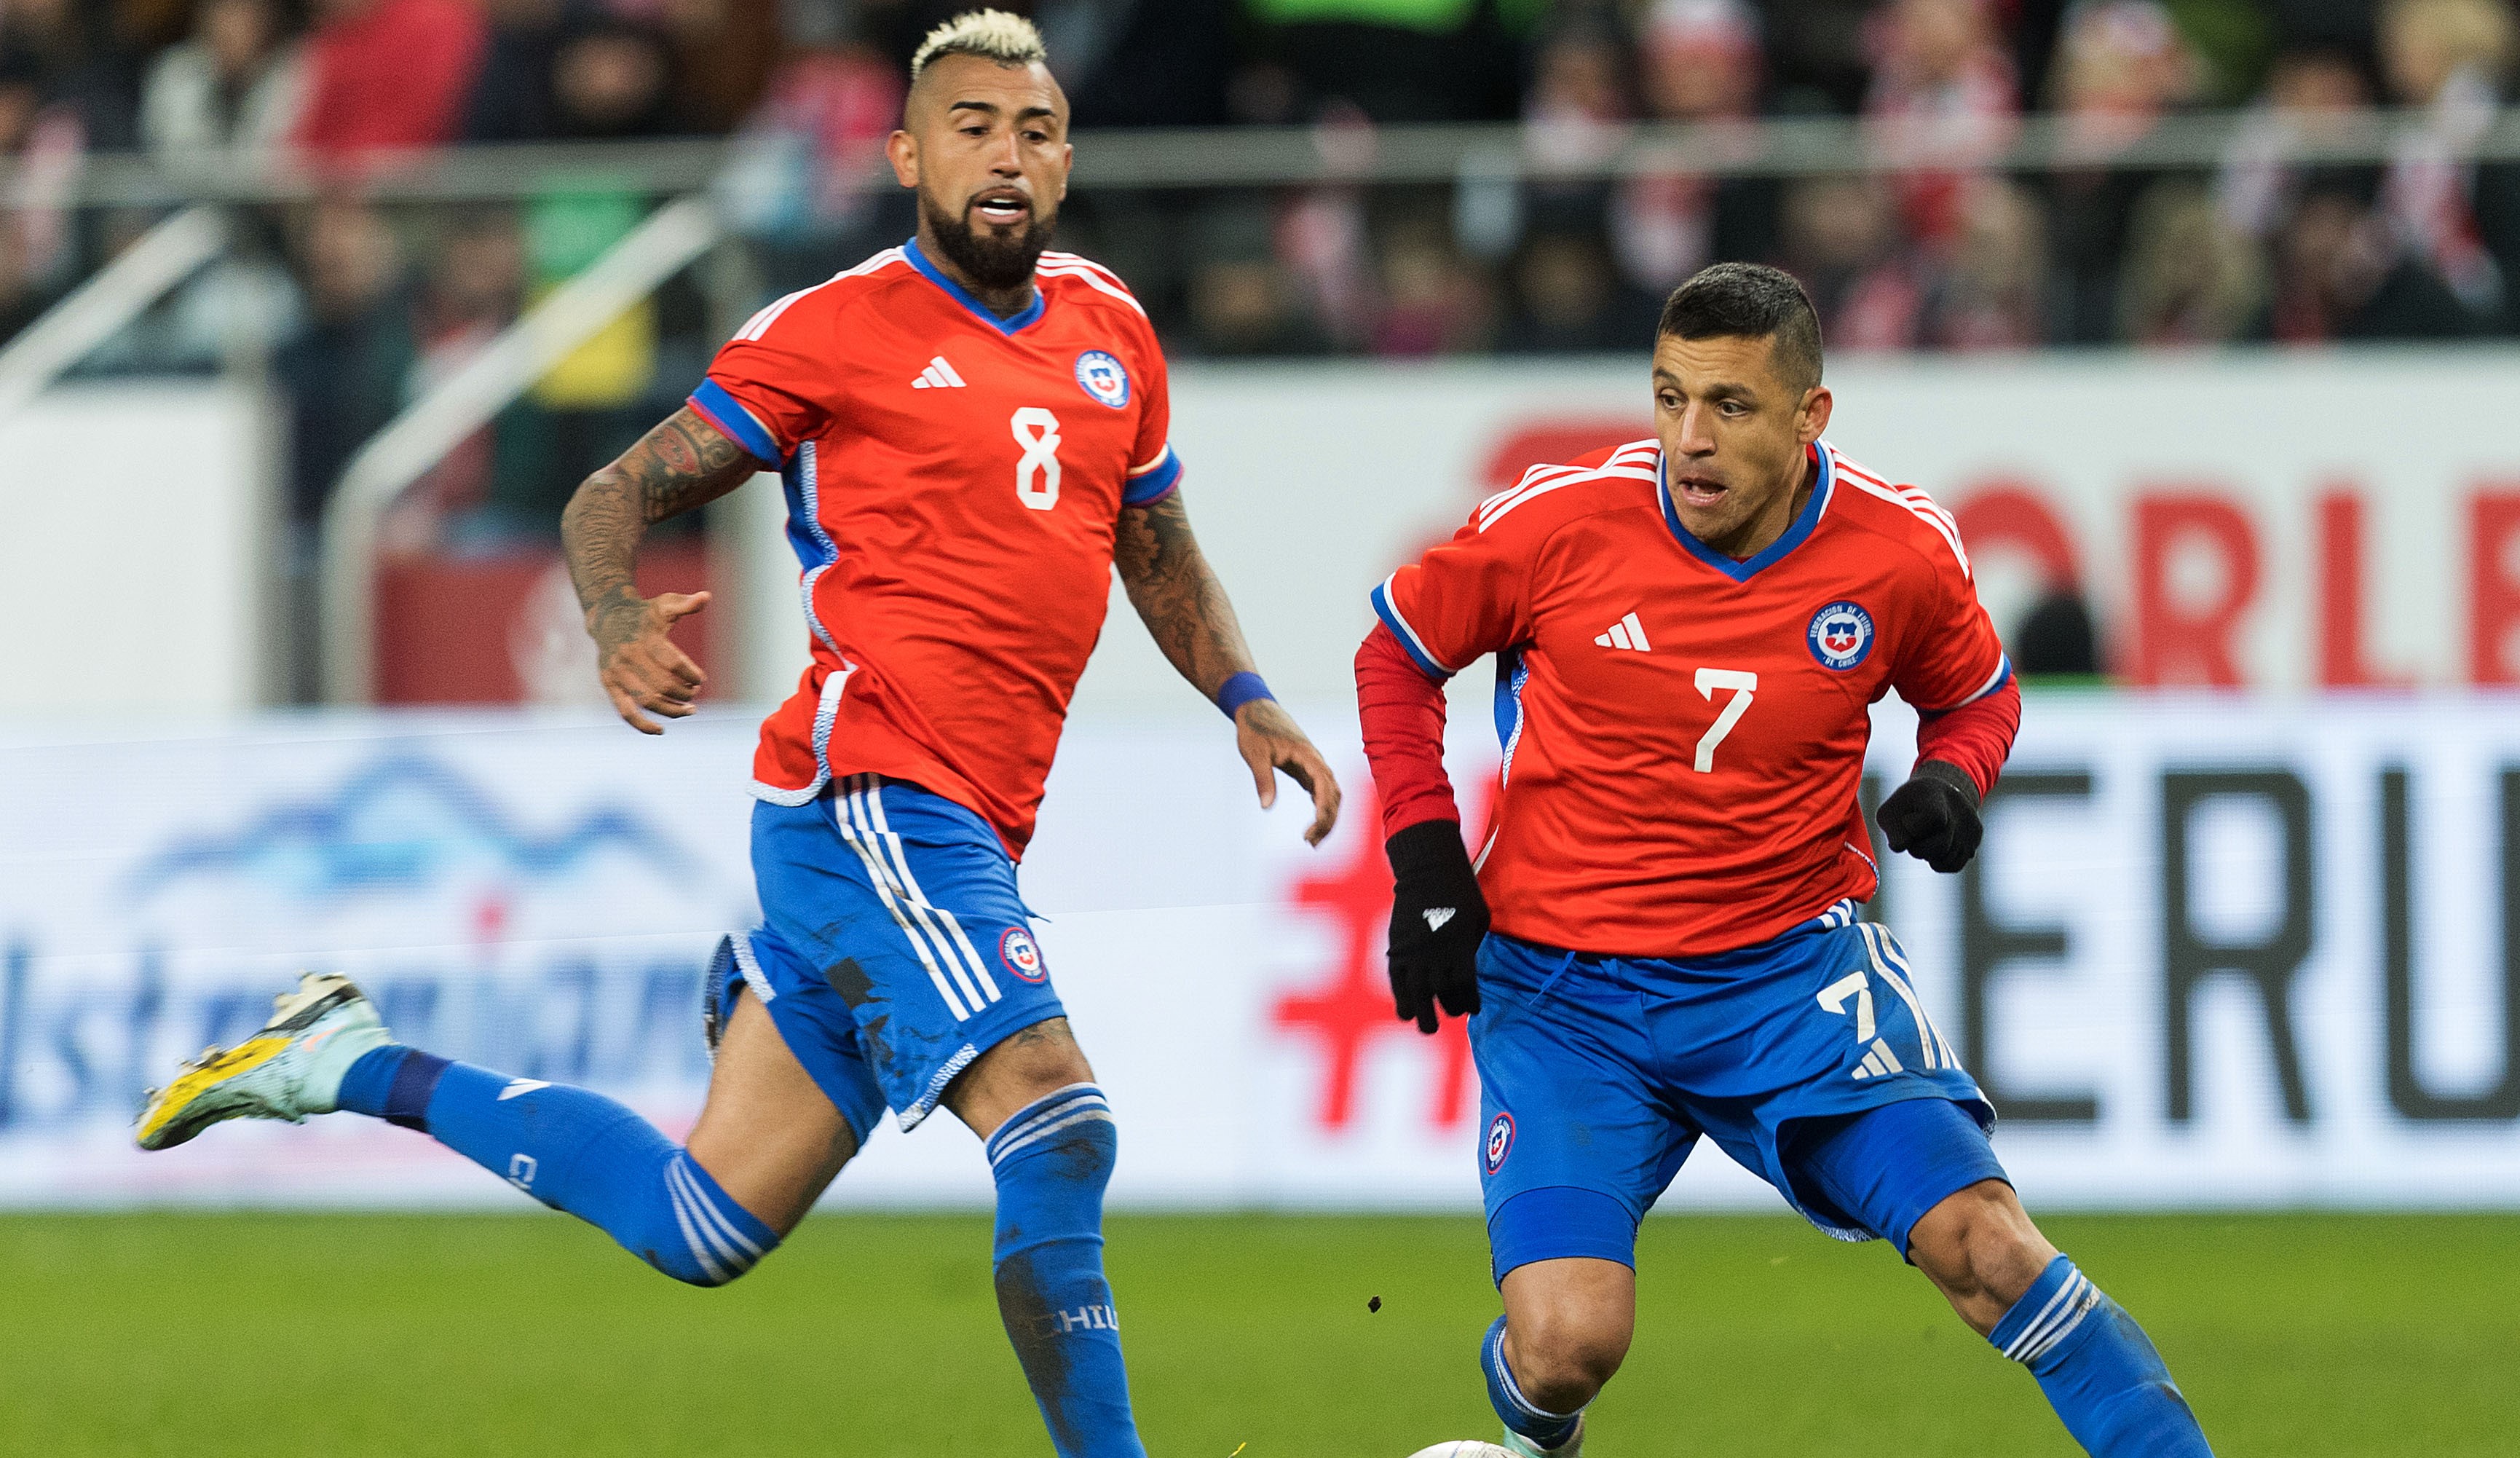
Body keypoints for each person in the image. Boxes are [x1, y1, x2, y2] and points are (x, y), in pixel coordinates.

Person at [135, 14, 1343, 1458]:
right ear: (908, 155)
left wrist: (1246, 691)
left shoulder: (1112, 330)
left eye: (1032, 131)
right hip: (872, 790)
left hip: (967, 821)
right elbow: (610, 495)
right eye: (972, 129)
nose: (1005, 157)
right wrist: (615, 615)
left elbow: (1155, 543)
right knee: (1060, 1123)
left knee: (702, 1222)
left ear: (1068, 158)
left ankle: (346, 1057)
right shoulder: (829, 331)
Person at [1353, 262, 2213, 1457]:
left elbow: (1978, 693)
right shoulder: (1558, 522)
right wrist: (1427, 855)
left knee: (1988, 1247)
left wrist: (1956, 777)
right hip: (1564, 993)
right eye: (1668, 399)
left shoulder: (1896, 548)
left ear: (1810, 415)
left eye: (1728, 406)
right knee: (1563, 1345)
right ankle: (1531, 1438)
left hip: (1790, 980)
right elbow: (1395, 652)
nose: (1687, 441)